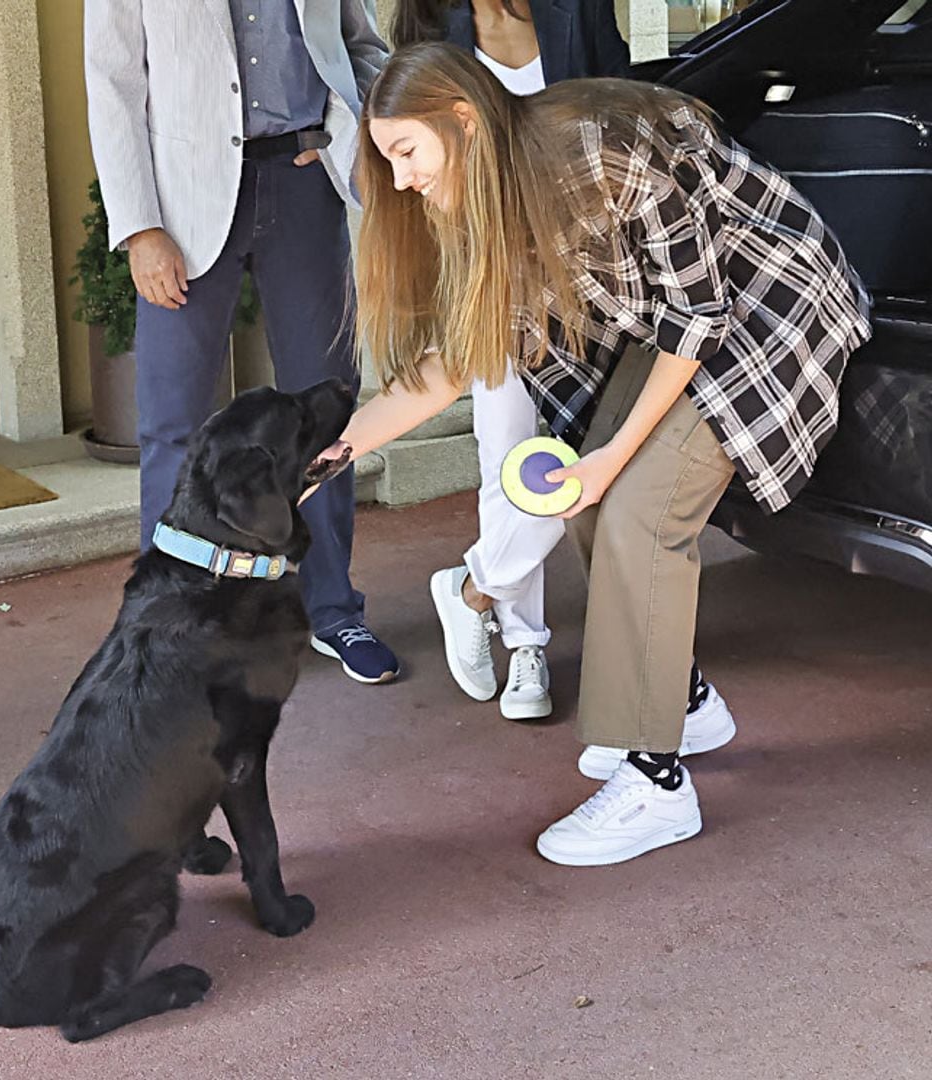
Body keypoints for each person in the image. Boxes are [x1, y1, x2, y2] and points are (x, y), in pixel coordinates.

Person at [329, 42, 872, 865]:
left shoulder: (600, 155)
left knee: (642, 511)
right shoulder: (482, 198)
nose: (399, 180)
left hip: (769, 304)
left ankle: (658, 786)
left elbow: (698, 317)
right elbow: (453, 361)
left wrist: (615, 458)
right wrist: (333, 451)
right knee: (580, 494)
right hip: (679, 329)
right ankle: (681, 703)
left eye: (406, 152)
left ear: (463, 122)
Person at [84, 0, 399, 684]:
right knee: (172, 422)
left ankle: (332, 609)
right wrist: (139, 228)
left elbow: (361, 46)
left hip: (305, 182)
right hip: (185, 206)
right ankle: (168, 624)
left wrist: (360, 141)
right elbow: (112, 82)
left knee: (327, 412)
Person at [388, 1, 630, 724]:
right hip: (488, 271)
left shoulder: (575, 9)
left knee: (584, 452)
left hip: (587, 268)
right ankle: (526, 642)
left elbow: (613, 103)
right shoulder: (431, 27)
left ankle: (472, 590)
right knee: (510, 455)